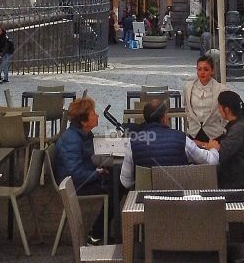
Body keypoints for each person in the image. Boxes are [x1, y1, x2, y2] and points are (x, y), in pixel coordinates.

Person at [120, 99, 216, 189]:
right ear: (164, 118)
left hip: (146, 202)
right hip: (178, 200)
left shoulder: (133, 142)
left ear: (145, 118)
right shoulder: (181, 139)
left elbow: (126, 182)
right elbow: (210, 161)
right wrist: (213, 149)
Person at [52, 97, 111, 244]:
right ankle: (96, 234)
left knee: (117, 181)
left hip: (81, 179)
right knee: (115, 188)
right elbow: (75, 173)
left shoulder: (83, 135)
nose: (97, 116)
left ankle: (100, 232)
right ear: (84, 122)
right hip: (74, 185)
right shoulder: (72, 139)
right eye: (93, 114)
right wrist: (97, 173)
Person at [198, 91, 244, 191]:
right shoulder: (239, 123)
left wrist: (209, 147)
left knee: (202, 178)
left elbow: (220, 153)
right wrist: (201, 144)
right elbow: (219, 144)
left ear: (227, 110)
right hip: (239, 173)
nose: (218, 110)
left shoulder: (238, 128)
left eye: (219, 107)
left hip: (241, 179)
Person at [183, 53, 228, 142]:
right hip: (194, 132)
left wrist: (223, 128)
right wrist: (191, 121)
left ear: (212, 71)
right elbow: (187, 107)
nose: (202, 73)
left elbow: (226, 112)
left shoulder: (221, 89)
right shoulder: (188, 88)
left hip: (214, 133)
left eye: (206, 69)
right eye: (199, 69)